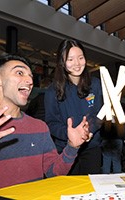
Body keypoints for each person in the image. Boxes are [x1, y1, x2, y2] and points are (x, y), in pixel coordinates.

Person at [0, 54, 91, 194]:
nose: (29, 80)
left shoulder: (39, 127)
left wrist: (72, 147)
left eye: (30, 76)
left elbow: (54, 173)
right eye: (19, 73)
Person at [44, 39, 103, 175]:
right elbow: (51, 123)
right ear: (62, 62)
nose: (77, 63)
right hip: (66, 149)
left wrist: (89, 131)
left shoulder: (95, 84)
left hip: (92, 147)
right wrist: (71, 135)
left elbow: (99, 115)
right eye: (70, 59)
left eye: (80, 58)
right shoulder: (52, 91)